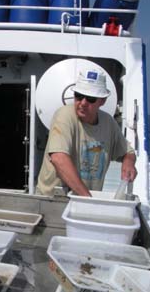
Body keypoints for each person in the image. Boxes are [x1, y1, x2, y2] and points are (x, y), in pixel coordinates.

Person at [36, 68, 137, 197]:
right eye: (79, 95)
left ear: (102, 101)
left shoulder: (108, 123)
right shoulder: (64, 115)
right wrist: (88, 199)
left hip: (84, 199)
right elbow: (59, 158)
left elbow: (128, 152)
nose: (83, 103)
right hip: (53, 199)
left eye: (90, 98)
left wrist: (128, 162)